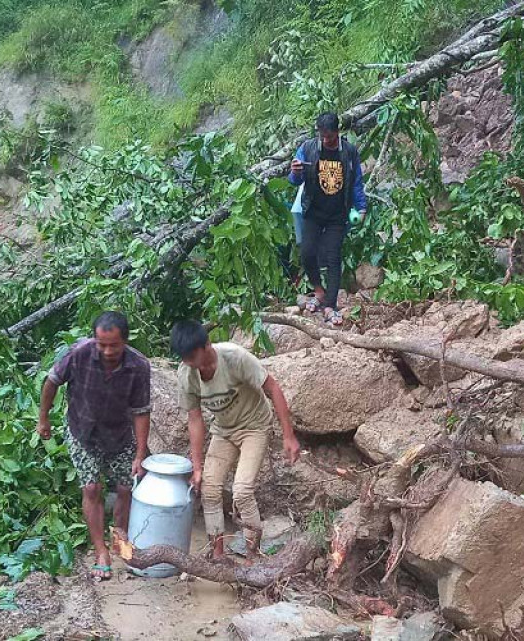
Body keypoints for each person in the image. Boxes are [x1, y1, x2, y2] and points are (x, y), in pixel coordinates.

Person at [171, 320, 301, 561]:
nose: (189, 363)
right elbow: (195, 418)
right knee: (209, 490)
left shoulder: (235, 357)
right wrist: (197, 467)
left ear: (206, 345)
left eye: (192, 356)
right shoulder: (187, 373)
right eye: (184, 358)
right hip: (223, 430)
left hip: (255, 425)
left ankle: (253, 556)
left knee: (241, 491)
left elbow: (273, 388)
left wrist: (288, 435)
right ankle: (218, 554)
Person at [37, 311, 151, 581]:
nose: (107, 350)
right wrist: (43, 418)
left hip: (120, 434)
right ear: (94, 339)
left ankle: (120, 541)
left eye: (114, 345)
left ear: (125, 340)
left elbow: (141, 410)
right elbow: (52, 382)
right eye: (102, 344)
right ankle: (101, 552)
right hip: (83, 431)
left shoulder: (138, 366)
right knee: (92, 487)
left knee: (126, 487)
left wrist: (140, 452)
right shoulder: (79, 353)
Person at [288, 112, 368, 326]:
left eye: (329, 137)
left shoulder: (349, 152)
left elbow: (357, 182)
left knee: (333, 257)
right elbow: (295, 181)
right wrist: (295, 173)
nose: (325, 141)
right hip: (313, 211)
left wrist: (361, 208)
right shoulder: (308, 148)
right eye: (322, 136)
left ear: (337, 133)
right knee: (307, 252)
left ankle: (330, 305)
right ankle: (318, 290)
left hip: (337, 215)